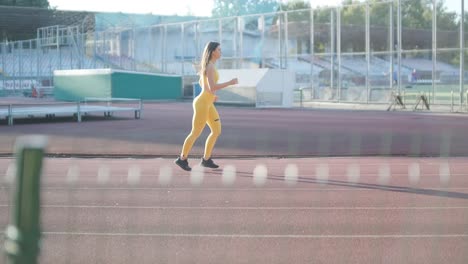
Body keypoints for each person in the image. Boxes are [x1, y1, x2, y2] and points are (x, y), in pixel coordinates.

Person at [175, 41, 238, 171]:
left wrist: (212, 96)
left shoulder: (210, 66)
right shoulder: (209, 66)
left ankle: (206, 159)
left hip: (207, 103)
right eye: (219, 50)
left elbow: (203, 84)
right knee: (195, 132)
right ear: (213, 51)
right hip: (202, 104)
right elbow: (211, 87)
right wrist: (230, 83)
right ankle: (182, 159)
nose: (221, 52)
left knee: (216, 130)